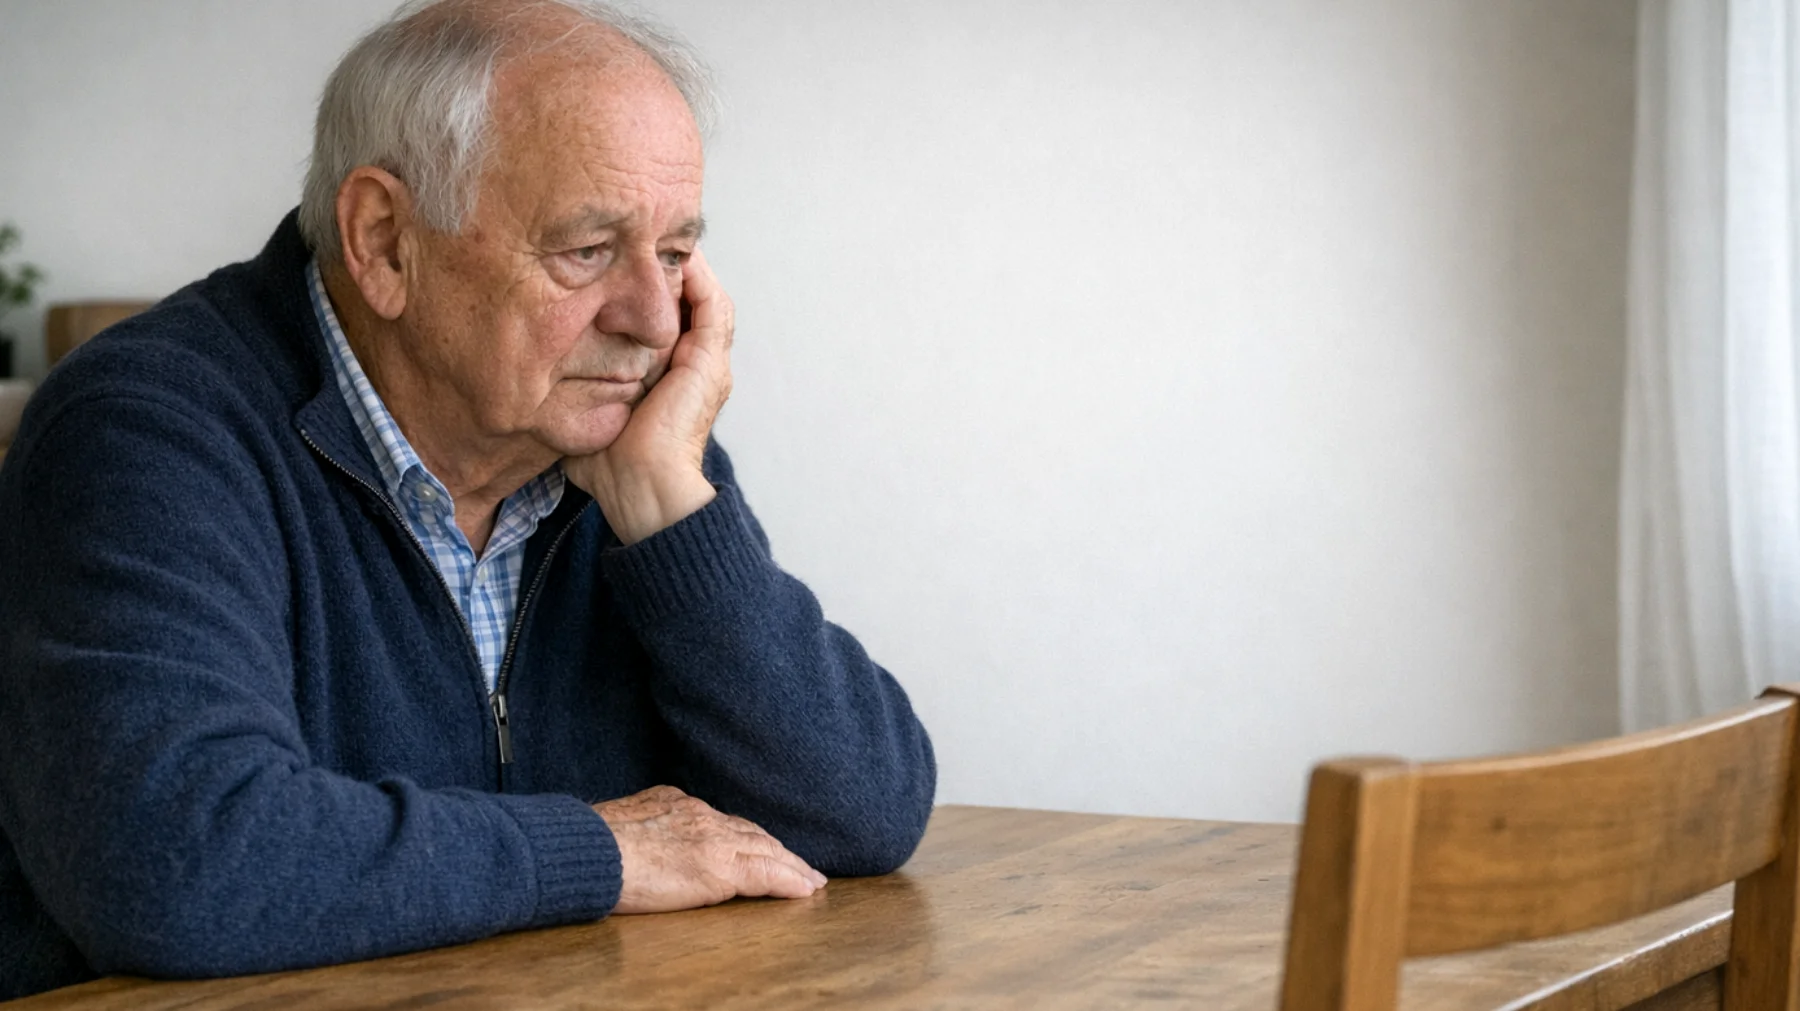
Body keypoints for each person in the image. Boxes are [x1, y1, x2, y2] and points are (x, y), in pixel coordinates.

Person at [0, 0, 935, 999]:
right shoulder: (148, 429)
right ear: (386, 240)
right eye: (587, 251)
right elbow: (173, 862)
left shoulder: (613, 431)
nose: (656, 321)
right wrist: (605, 851)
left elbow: (863, 812)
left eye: (673, 256)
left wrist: (670, 508)